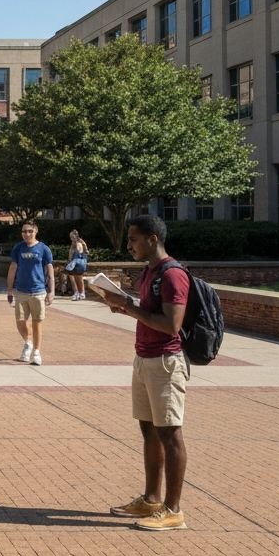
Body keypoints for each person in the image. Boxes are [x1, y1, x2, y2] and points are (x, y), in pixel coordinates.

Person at [102, 215, 191, 531]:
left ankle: (173, 510)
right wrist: (126, 305)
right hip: (145, 359)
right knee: (149, 430)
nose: (129, 245)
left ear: (153, 239)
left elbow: (171, 325)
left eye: (134, 239)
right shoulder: (150, 273)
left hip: (166, 363)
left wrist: (128, 306)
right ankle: (152, 499)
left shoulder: (172, 275)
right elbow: (148, 312)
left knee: (170, 433)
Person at [6, 221, 54, 365]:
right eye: (24, 231)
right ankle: (28, 342)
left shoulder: (43, 249)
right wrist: (9, 289)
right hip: (20, 291)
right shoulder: (18, 248)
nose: (26, 234)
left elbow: (49, 270)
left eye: (29, 231)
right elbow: (13, 268)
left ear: (35, 231)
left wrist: (51, 291)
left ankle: (37, 353)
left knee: (37, 323)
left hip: (38, 291)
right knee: (20, 322)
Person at [65, 230, 90, 300]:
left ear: (76, 236)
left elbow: (80, 251)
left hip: (77, 263)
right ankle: (78, 293)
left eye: (72, 236)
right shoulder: (76, 242)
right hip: (75, 263)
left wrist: (77, 248)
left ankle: (80, 293)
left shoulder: (78, 243)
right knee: (75, 278)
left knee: (77, 278)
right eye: (70, 236)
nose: (71, 238)